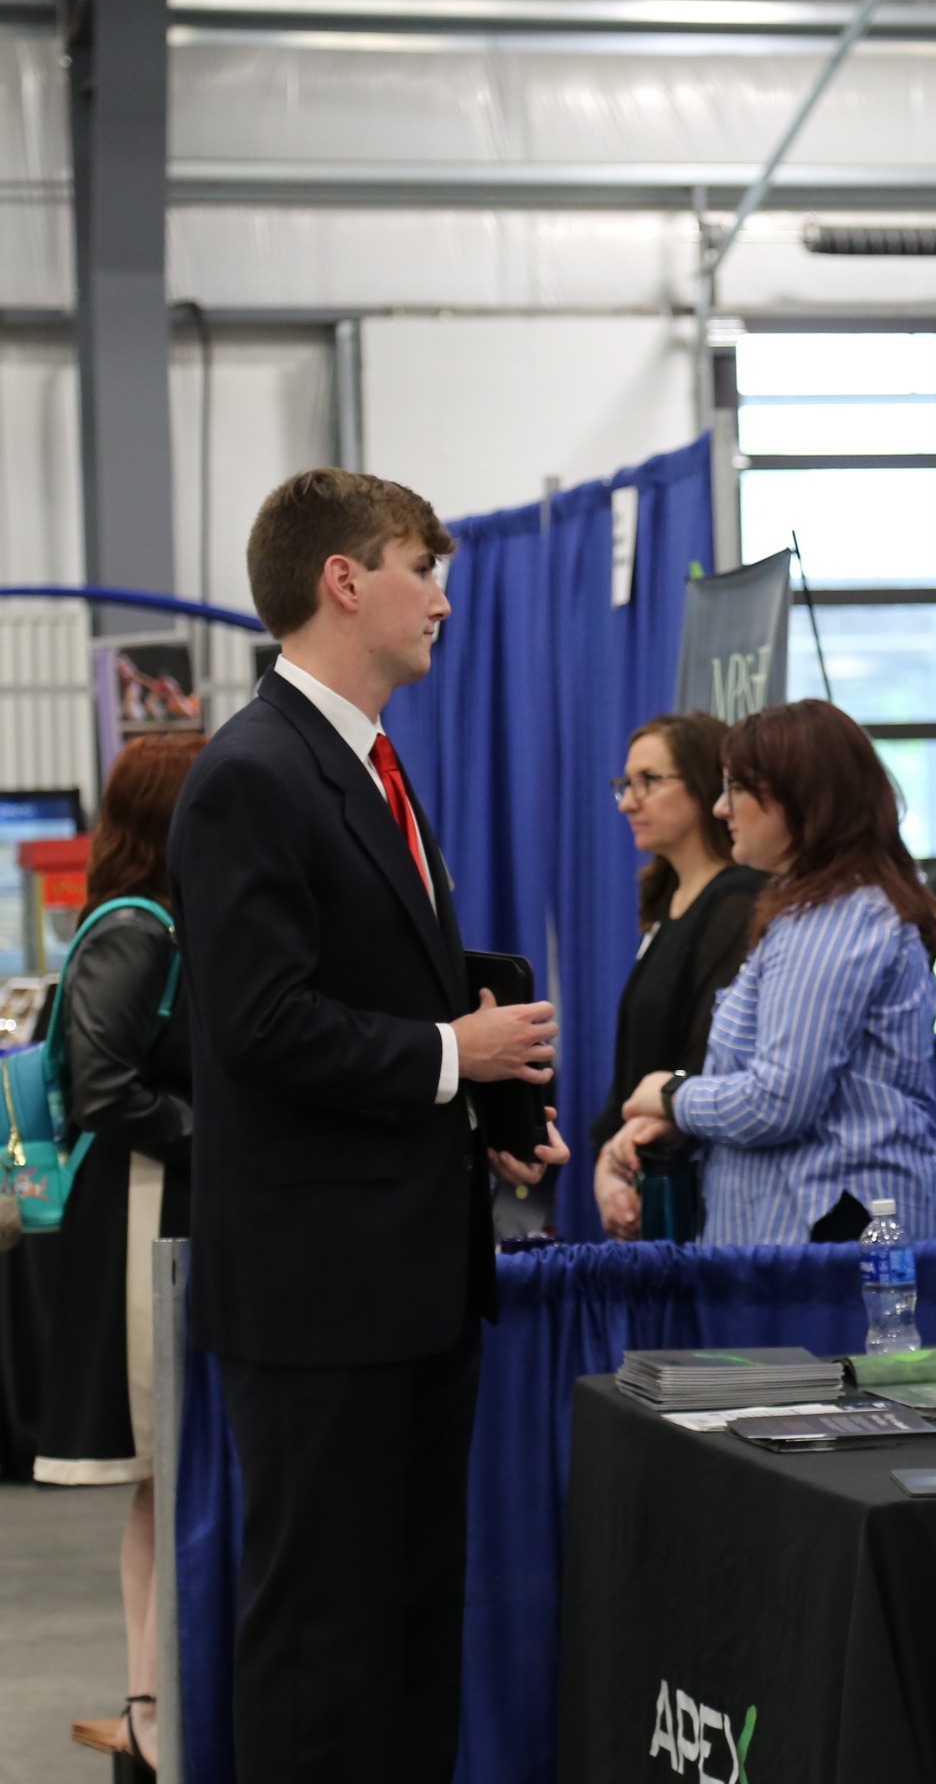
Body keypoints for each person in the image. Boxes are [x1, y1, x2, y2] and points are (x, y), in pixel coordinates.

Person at [167, 467, 568, 1784]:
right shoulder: (253, 775)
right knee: (322, 1645)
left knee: (404, 1631)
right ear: (345, 580)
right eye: (421, 567)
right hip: (317, 1296)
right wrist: (456, 1053)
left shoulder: (370, 765)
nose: (442, 599)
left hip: (408, 1283)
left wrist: (494, 1105)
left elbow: (376, 981)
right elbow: (258, 1024)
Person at [608, 699, 936, 1244]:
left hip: (836, 1236)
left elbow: (779, 1102)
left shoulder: (836, 918)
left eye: (737, 789)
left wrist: (673, 1095)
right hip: (812, 1230)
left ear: (801, 800)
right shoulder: (813, 910)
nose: (722, 809)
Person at [34, 733, 207, 1771]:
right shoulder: (134, 929)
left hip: (168, 1207)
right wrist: (225, 1138)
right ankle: (149, 1705)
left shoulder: (170, 925)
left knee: (175, 1472)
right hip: (142, 1212)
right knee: (162, 1465)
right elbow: (103, 1088)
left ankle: (156, 1702)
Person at [589, 713, 767, 1242]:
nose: (628, 801)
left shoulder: (739, 902)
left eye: (650, 781)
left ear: (704, 786)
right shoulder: (669, 908)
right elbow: (636, 1064)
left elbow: (709, 1059)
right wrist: (608, 1163)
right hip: (651, 1173)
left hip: (704, 1192)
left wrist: (630, 1148)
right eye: (625, 784)